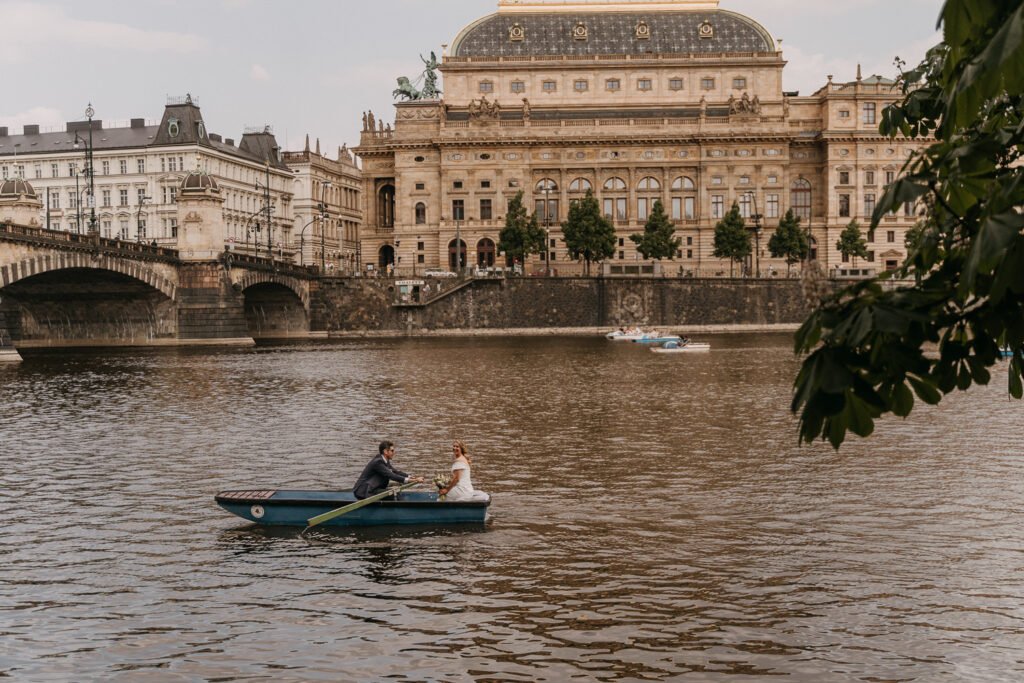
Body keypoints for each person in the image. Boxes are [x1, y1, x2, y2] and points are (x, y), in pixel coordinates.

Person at [353, 440, 422, 499]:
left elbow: (396, 472)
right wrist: (413, 480)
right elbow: (392, 476)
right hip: (363, 492)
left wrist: (412, 477)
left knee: (396, 493)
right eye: (392, 450)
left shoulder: (384, 461)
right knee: (395, 495)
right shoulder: (378, 462)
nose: (394, 452)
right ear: (385, 451)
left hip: (372, 489)